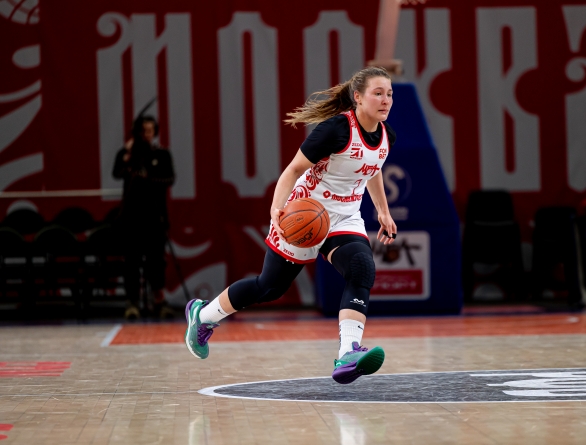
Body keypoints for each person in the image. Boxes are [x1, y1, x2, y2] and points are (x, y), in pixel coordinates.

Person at [184, 67, 398, 384]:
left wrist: (383, 211)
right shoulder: (335, 129)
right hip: (306, 211)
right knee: (269, 287)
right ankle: (202, 316)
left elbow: (373, 168)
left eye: (389, 94)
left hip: (345, 217)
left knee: (361, 268)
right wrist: (277, 208)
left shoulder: (386, 136)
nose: (386, 100)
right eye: (378, 93)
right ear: (358, 97)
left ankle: (348, 352)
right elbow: (294, 169)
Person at [113, 115, 175, 318]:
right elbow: (117, 172)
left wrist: (148, 179)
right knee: (132, 260)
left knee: (156, 260)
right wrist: (128, 154)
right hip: (132, 216)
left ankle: (159, 300)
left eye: (150, 130)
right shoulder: (129, 154)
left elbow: (169, 179)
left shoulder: (162, 154)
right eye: (143, 131)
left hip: (155, 216)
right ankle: (132, 301)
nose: (147, 134)